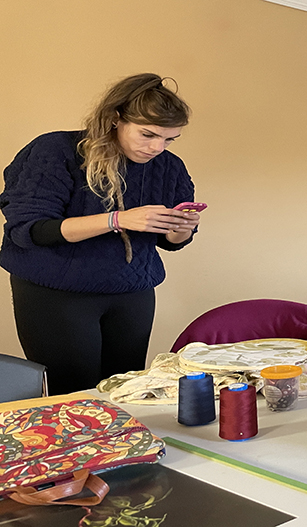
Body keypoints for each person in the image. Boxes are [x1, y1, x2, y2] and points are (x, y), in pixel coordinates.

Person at [0, 73, 201, 395]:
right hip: (56, 294)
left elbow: (170, 243)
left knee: (126, 391)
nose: (157, 148)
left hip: (132, 291)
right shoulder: (55, 151)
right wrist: (118, 220)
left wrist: (180, 229)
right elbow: (31, 230)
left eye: (169, 140)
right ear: (114, 119)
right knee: (75, 394)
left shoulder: (169, 167)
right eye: (147, 134)